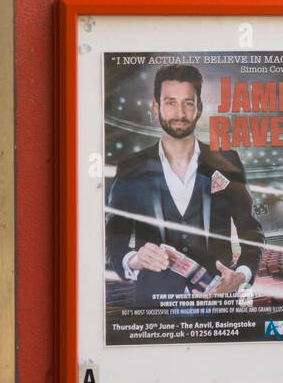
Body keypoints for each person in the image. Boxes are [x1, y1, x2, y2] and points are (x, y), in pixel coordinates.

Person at [105, 64, 264, 307]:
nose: (179, 112)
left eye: (188, 103)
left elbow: (251, 231)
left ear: (199, 108)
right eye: (170, 102)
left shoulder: (227, 161)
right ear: (156, 108)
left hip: (219, 303)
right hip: (153, 308)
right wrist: (134, 259)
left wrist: (241, 276)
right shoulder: (130, 168)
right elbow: (113, 238)